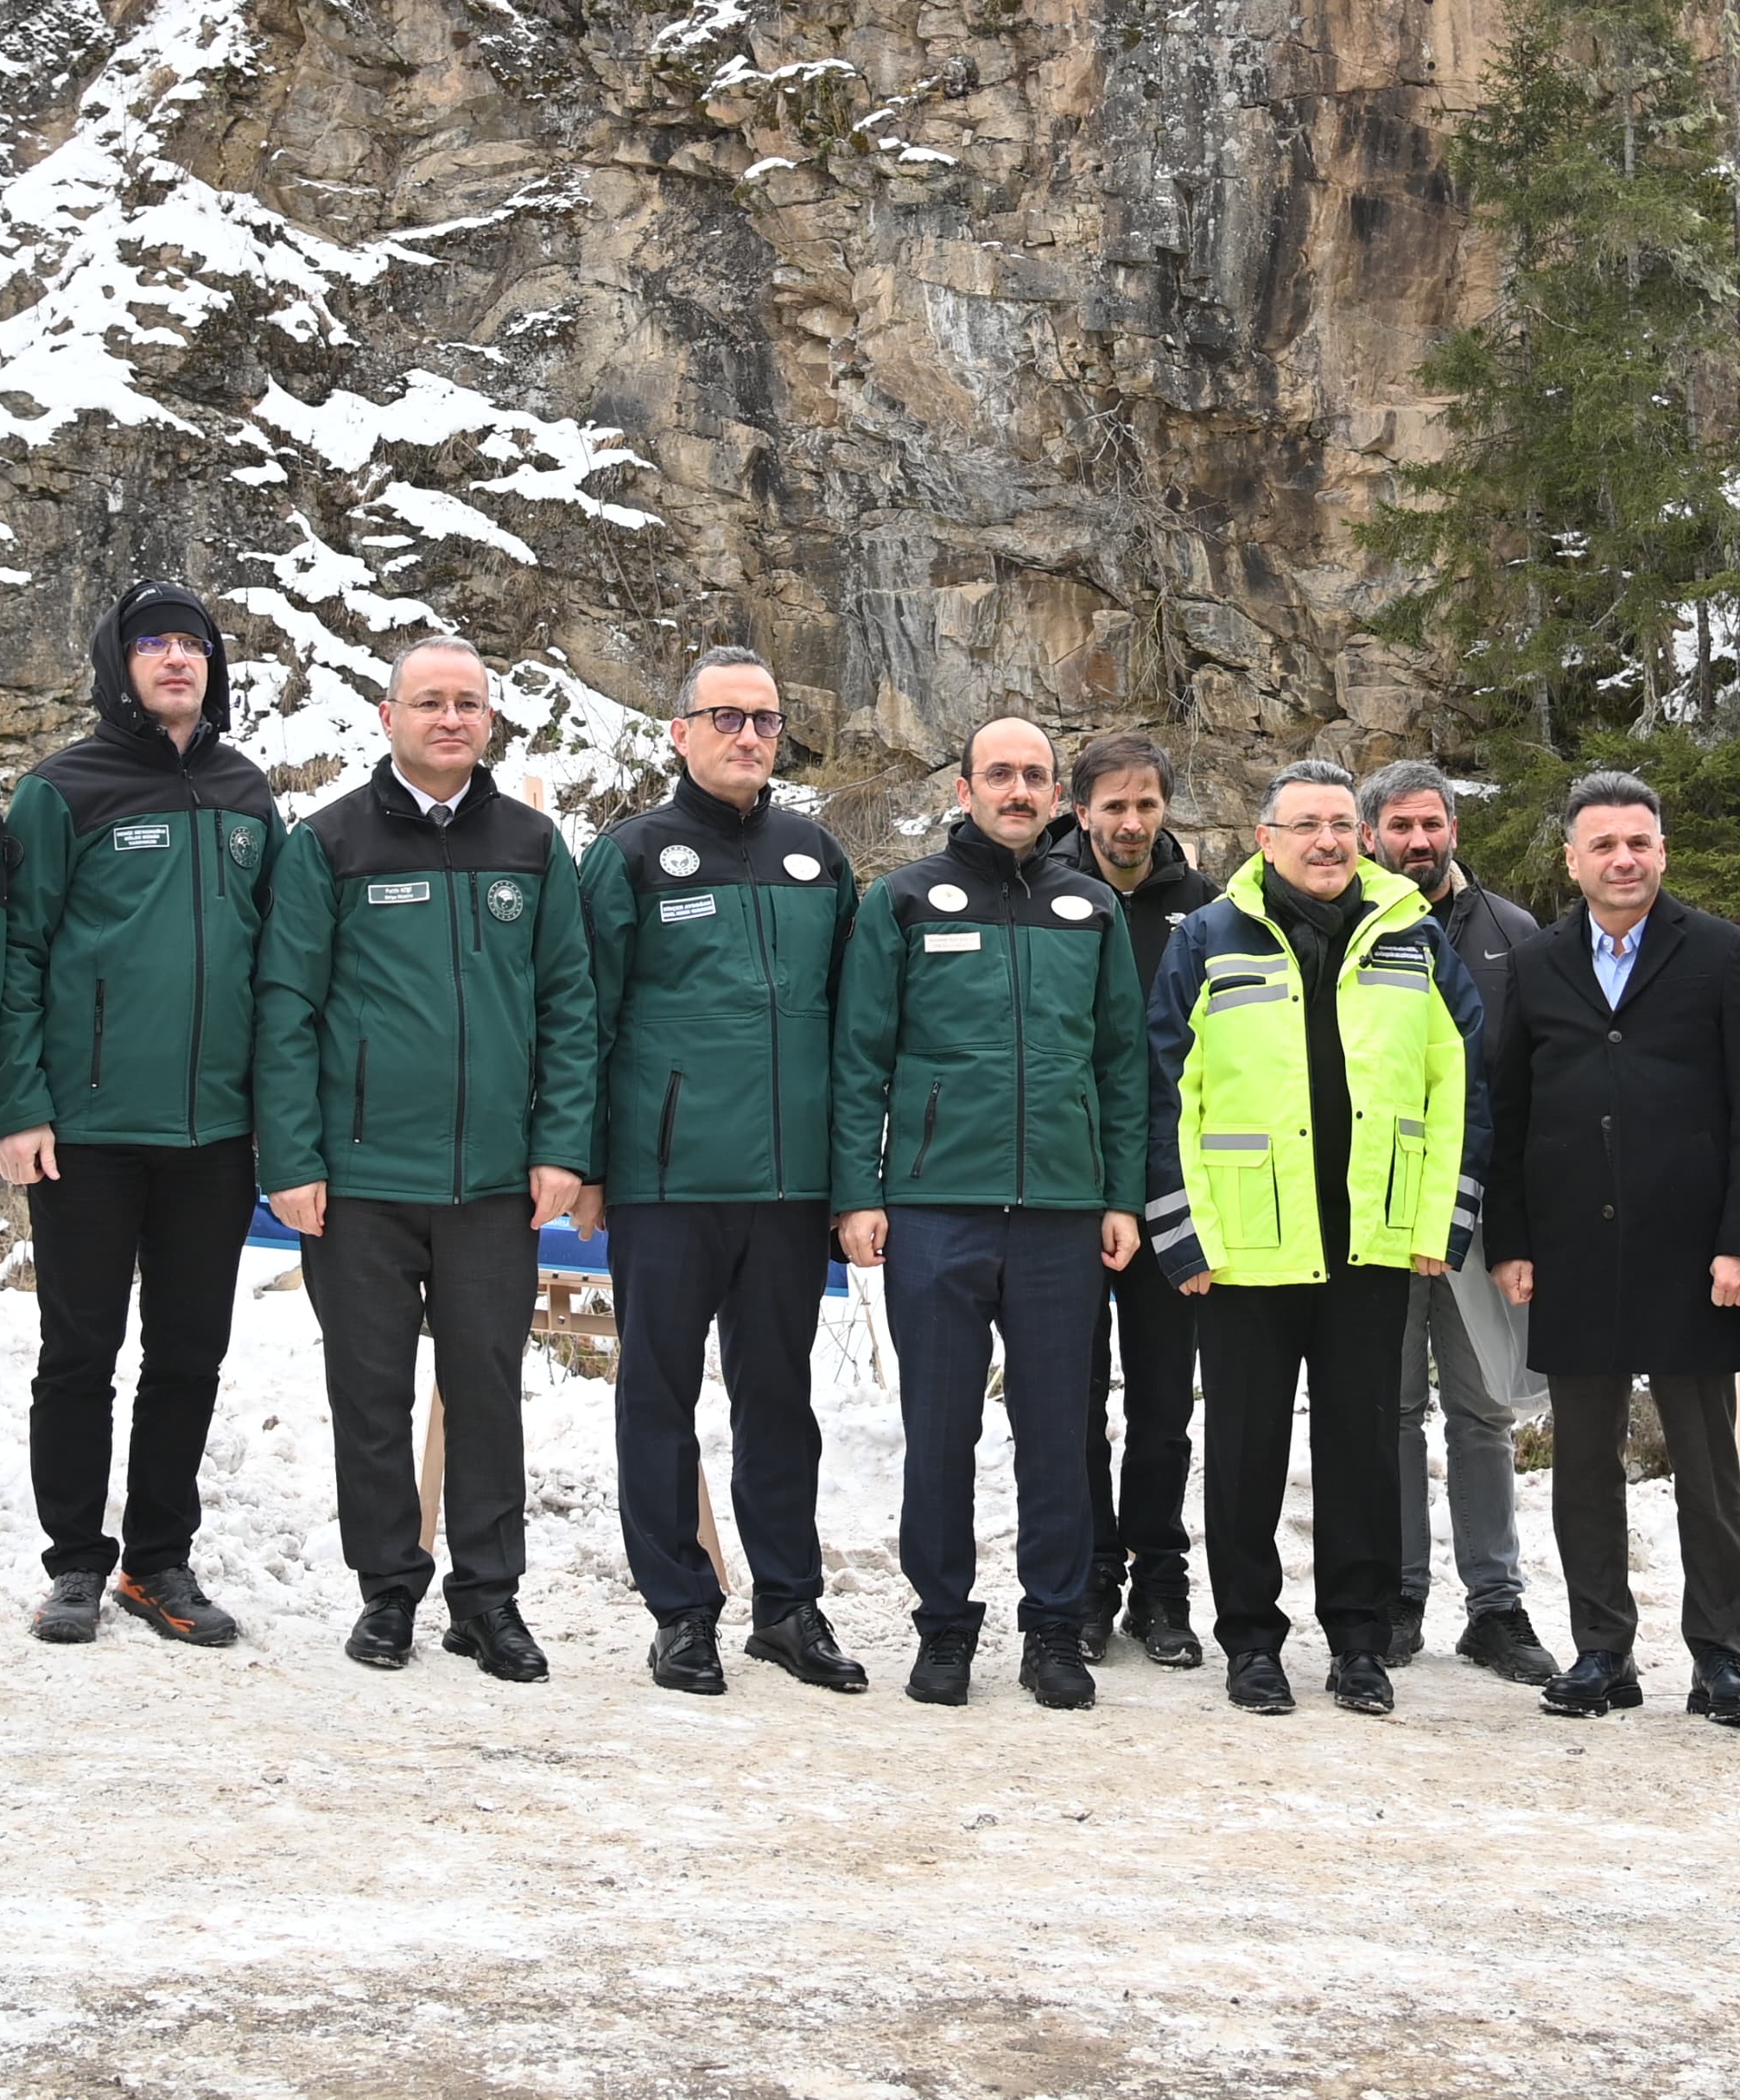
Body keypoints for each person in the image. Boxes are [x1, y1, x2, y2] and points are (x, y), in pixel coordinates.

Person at [257, 636, 599, 1683]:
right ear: (388, 715)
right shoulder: (328, 842)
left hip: (493, 1183)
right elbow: (284, 1008)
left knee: (486, 1389)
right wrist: (292, 1157)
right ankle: (387, 1591)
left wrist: (561, 1145)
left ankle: (487, 1598)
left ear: (489, 719)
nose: (450, 719)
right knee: (369, 1395)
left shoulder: (532, 845)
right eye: (429, 702)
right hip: (360, 1182)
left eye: (468, 703)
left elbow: (569, 1004)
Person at [1149, 761, 1489, 1720]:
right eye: (1305, 824)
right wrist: (1184, 1234)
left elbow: (1460, 1082)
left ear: (1363, 835)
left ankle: (1359, 1642)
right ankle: (1251, 1643)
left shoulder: (1411, 935)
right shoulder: (1208, 936)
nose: (1328, 840)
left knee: (1362, 1455)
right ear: (1265, 839)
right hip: (1245, 1247)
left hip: (1370, 1242)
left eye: (1342, 823)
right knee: (1244, 1454)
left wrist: (1443, 1220)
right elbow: (1164, 1090)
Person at [570, 646, 868, 1699]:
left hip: (788, 1187)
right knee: (658, 1394)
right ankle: (680, 1612)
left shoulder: (815, 857)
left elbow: (854, 1027)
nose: (748, 735)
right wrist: (587, 1162)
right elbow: (584, 1015)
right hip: (667, 1179)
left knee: (779, 1399)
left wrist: (849, 1177)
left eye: (766, 719)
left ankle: (787, 1606)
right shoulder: (630, 854)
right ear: (680, 730)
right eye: (727, 716)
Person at [829, 717, 1146, 1708]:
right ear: (963, 789)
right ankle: (942, 1627)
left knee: (1057, 1431)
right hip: (935, 1207)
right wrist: (856, 1190)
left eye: (1034, 775)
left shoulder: (1090, 907)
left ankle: (1053, 1627)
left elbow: (1121, 1064)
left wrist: (1120, 1194)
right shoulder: (902, 900)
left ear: (1056, 796)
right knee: (939, 1429)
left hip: (1061, 1211)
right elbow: (858, 1056)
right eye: (998, 773)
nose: (1017, 789)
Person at [0, 581, 276, 1651]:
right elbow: (15, 951)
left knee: (189, 1353)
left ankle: (158, 1561)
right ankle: (73, 1560)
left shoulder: (245, 791)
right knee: (79, 1351)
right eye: (152, 641)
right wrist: (18, 1101)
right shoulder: (62, 790)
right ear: (119, 662)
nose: (176, 657)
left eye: (193, 643)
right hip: (89, 1128)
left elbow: (279, 960)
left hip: (214, 1132)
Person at [1479, 772, 1740, 1732]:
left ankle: (1720, 1654)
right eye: (1603, 844)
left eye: (1638, 842)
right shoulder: (1537, 962)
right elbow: (1509, 1108)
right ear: (1572, 859)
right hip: (1572, 1248)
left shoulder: (1718, 952)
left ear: (1661, 851)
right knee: (1583, 1465)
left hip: (1693, 1254)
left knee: (1706, 1465)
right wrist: (1510, 1239)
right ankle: (1601, 1648)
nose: (1623, 859)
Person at [1356, 757, 1556, 1687]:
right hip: (1381, 1212)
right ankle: (1398, 1593)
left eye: (1431, 823)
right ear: (1370, 835)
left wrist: (1518, 1217)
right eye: (1400, 826)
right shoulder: (1352, 926)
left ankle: (1495, 1603)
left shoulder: (1512, 933)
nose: (1418, 841)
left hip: (1476, 1212)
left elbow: (1530, 1083)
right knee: (1391, 1409)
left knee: (1480, 1411)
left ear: (1453, 831)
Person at [1041, 731, 1216, 1668]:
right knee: (1071, 1399)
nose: (1131, 821)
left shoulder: (1207, 910)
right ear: (1080, 810)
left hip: (1172, 1188)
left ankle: (1159, 1579)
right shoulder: (1045, 895)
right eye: (1113, 804)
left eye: (1146, 803)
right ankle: (1086, 1577)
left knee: (1161, 1403)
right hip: (1069, 1186)